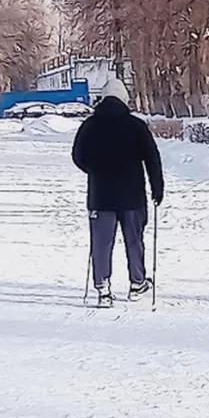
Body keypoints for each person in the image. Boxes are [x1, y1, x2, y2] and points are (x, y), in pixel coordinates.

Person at [72, 78, 164, 307]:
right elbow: (152, 159)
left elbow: (78, 156)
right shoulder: (136, 126)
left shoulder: (90, 125)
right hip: (132, 195)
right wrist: (157, 187)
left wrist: (93, 170)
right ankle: (137, 282)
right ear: (124, 99)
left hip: (100, 195)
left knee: (101, 243)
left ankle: (103, 288)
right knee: (134, 240)